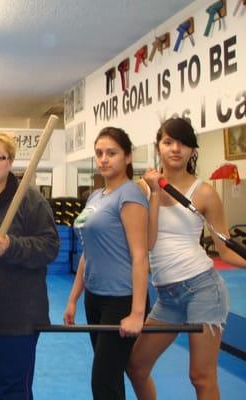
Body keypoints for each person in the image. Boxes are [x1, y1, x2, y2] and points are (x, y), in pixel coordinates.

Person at [127, 118, 245, 400]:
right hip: (166, 296)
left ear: (193, 150)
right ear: (158, 148)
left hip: (203, 289)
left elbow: (225, 248)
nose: (175, 149)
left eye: (183, 143)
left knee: (201, 378)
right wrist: (154, 190)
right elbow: (144, 240)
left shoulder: (204, 192)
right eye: (168, 142)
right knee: (135, 366)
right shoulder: (142, 188)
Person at [0, 132, 59, 399]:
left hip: (19, 318)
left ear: (10, 162)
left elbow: (50, 247)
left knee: (12, 391)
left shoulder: (29, 199)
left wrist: (12, 246)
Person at [64, 127, 149, 400]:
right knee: (111, 378)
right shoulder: (95, 196)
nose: (103, 159)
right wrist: (73, 298)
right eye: (99, 153)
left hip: (121, 299)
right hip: (95, 297)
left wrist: (137, 312)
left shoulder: (130, 195)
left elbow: (140, 255)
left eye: (111, 153)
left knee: (103, 381)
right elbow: (88, 252)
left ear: (127, 157)